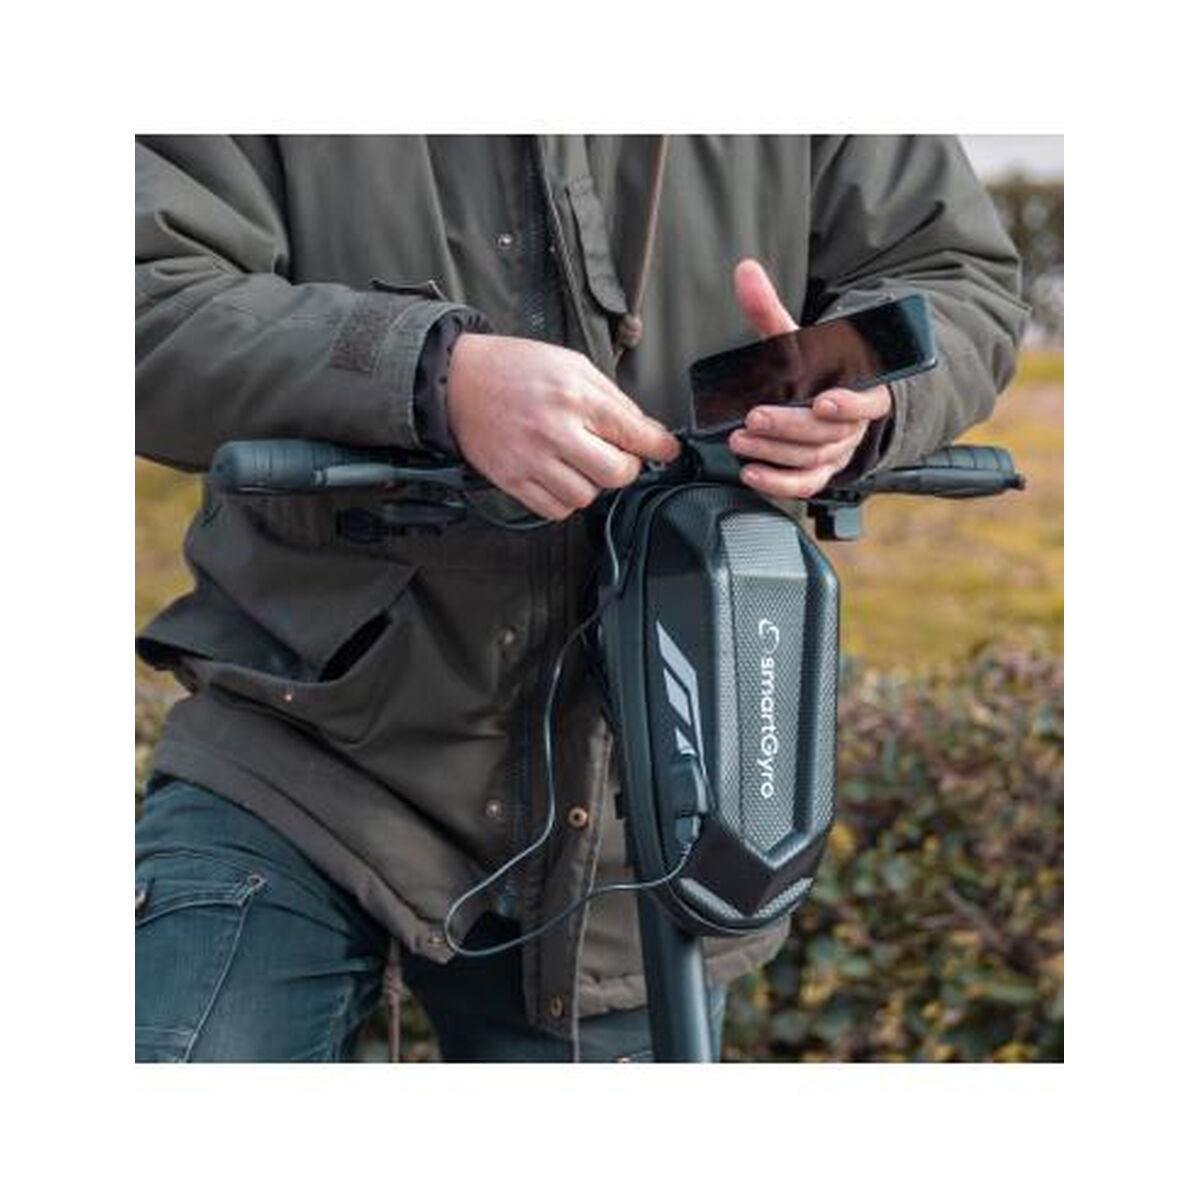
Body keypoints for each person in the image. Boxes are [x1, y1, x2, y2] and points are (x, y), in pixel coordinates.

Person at [135, 134, 1027, 1062]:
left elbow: (957, 276)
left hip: (646, 802)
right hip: (297, 748)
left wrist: (866, 404)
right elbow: (144, 295)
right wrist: (434, 373)